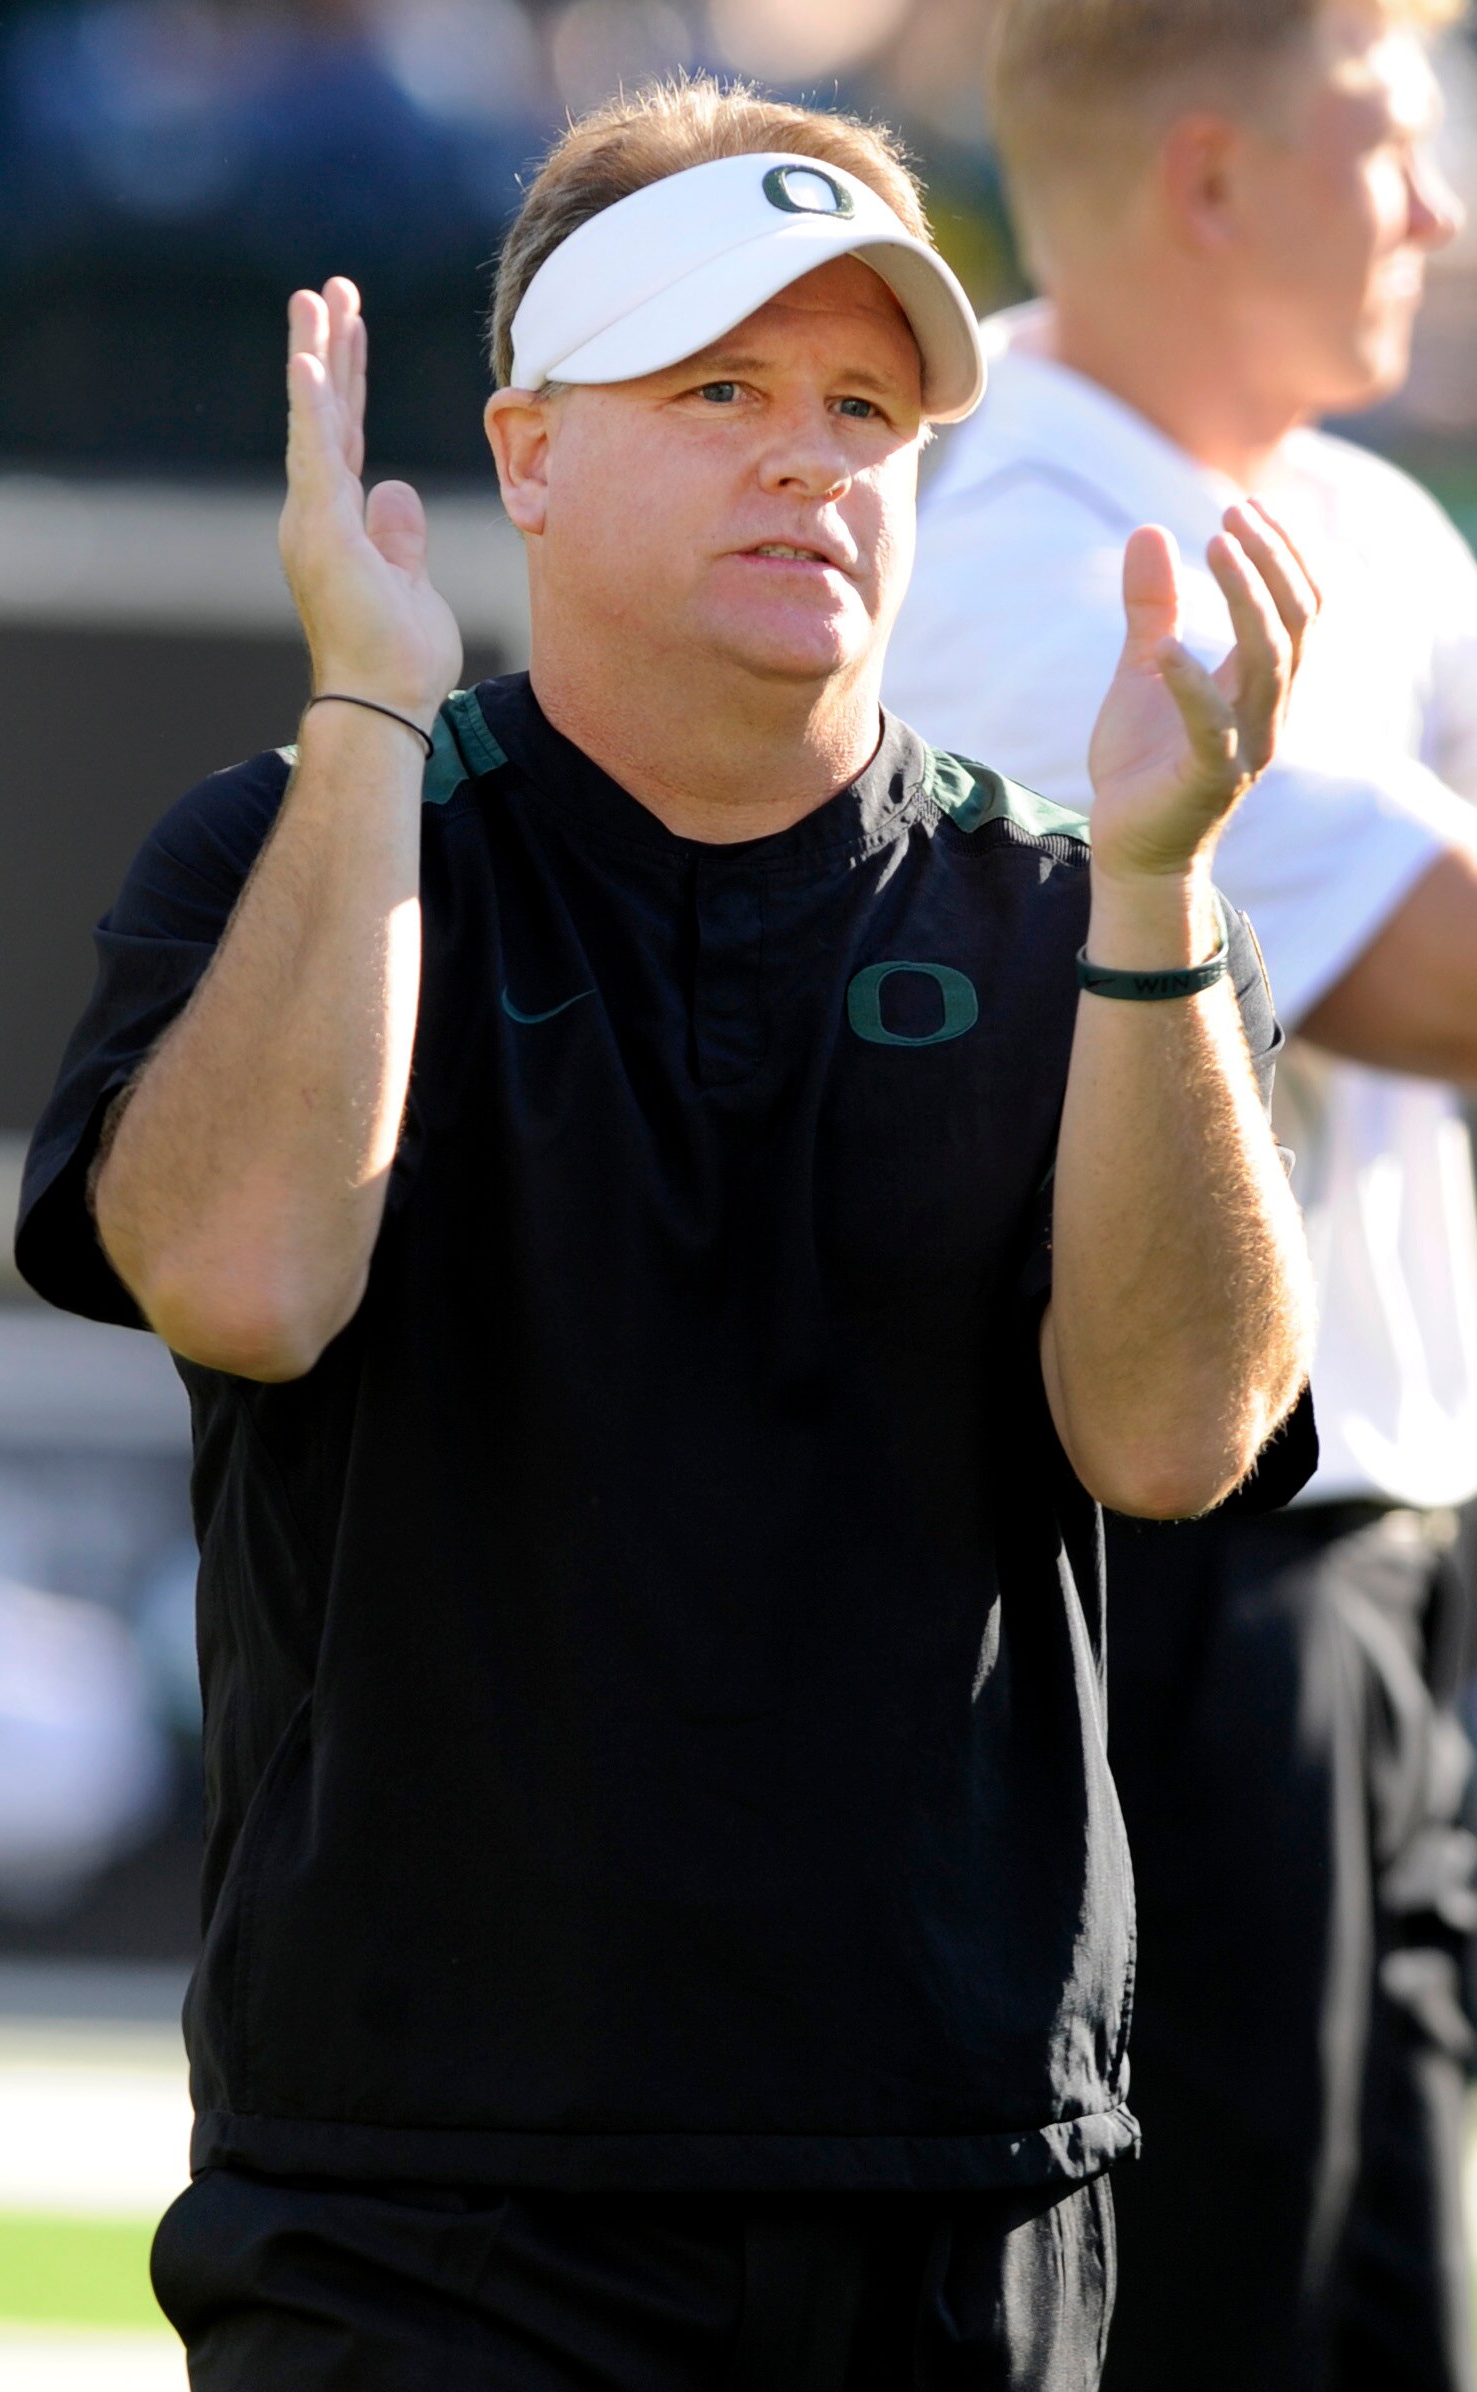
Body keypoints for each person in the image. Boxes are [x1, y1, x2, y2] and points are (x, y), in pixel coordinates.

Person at [17, 78, 1316, 2391]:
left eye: (860, 405)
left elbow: (1176, 1438)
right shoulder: (298, 842)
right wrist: (364, 712)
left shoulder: (1072, 901)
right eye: (719, 387)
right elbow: (247, 1273)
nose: (807, 456)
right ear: (526, 455)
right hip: (418, 2204)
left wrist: (1161, 886)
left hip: (966, 2197)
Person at [883, 4, 1477, 2387]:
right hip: (1156, 1575)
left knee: (1378, 2314)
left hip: (1380, 1557)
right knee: (1198, 2314)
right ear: (1212, 175)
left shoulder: (1375, 526)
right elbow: (1434, 967)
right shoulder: (1015, 525)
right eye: (1399, 144)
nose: (1439, 208)